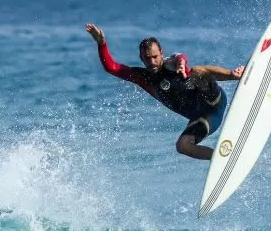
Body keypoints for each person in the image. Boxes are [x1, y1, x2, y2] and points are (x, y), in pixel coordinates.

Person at [85, 22, 244, 160]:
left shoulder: (171, 63)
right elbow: (111, 67)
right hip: (204, 117)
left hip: (213, 100)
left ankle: (235, 75)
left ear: (161, 53)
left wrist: (182, 64)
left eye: (155, 56)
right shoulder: (143, 77)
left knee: (195, 71)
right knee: (182, 146)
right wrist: (101, 43)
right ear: (141, 58)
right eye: (147, 58)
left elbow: (180, 57)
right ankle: (220, 158)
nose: (152, 62)